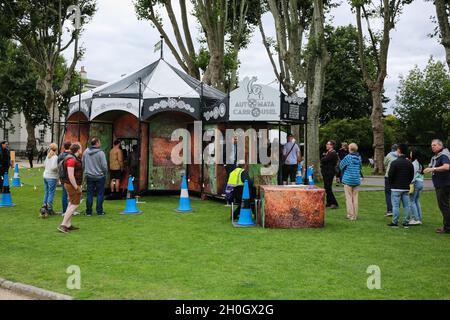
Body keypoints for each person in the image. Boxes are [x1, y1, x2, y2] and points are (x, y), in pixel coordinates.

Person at [423, 139, 450, 234]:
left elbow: (447, 166)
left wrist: (433, 168)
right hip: (441, 184)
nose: (432, 147)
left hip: (444, 184)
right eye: (432, 145)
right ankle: (447, 226)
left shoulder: (443, 155)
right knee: (444, 205)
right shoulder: (437, 156)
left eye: (434, 145)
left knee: (444, 206)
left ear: (440, 145)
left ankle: (447, 228)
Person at [387, 144, 414, 228]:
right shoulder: (409, 163)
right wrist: (407, 183)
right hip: (405, 187)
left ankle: (395, 222)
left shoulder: (394, 163)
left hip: (395, 188)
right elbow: (411, 175)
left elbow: (390, 175)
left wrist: (391, 183)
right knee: (407, 205)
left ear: (398, 150)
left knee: (395, 206)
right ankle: (406, 222)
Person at [58, 143, 83, 234]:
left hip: (70, 184)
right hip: (72, 184)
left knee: (71, 203)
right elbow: (71, 175)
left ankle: (68, 224)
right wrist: (76, 187)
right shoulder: (71, 160)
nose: (82, 150)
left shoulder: (71, 158)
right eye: (81, 148)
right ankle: (63, 224)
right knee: (75, 204)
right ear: (78, 150)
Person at [83, 137, 108, 216]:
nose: (100, 143)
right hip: (100, 176)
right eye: (99, 142)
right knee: (100, 194)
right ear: (97, 143)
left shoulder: (86, 151)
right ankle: (99, 211)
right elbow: (104, 166)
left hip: (89, 176)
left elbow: (83, 163)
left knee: (89, 194)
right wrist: (104, 173)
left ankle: (88, 212)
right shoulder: (101, 153)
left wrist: (86, 171)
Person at [339, 143, 362, 220]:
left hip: (348, 180)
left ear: (350, 149)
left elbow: (341, 165)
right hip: (356, 179)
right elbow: (360, 167)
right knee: (355, 198)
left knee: (348, 198)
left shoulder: (348, 157)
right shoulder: (359, 158)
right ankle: (355, 215)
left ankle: (350, 215)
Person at [40, 143, 59, 217]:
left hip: (45, 175)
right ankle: (49, 208)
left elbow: (44, 165)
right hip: (52, 176)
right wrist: (58, 167)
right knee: (51, 193)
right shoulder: (55, 157)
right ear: (56, 149)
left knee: (46, 192)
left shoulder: (48, 156)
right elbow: (53, 167)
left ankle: (44, 206)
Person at [320, 140, 339, 209]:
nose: (326, 145)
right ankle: (329, 203)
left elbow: (323, 160)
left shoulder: (333, 153)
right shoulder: (328, 153)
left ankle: (334, 203)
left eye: (328, 144)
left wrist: (323, 157)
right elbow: (323, 159)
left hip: (329, 172)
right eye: (327, 144)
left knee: (328, 188)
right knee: (326, 187)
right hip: (326, 172)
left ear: (332, 146)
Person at [409, 149, 424, 225]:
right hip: (421, 182)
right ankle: (419, 218)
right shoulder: (420, 163)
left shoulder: (414, 163)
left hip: (415, 183)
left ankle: (415, 219)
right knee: (416, 201)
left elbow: (413, 175)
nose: (410, 154)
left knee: (411, 201)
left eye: (411, 153)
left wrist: (410, 183)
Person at [384, 144, 398, 217]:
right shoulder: (400, 155)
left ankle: (390, 210)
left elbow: (385, 163)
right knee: (395, 194)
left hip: (388, 176)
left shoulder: (389, 155)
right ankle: (396, 210)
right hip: (397, 177)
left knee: (388, 193)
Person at [57, 141, 72, 215]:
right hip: (69, 176)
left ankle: (64, 210)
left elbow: (58, 166)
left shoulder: (60, 155)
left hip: (62, 176)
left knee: (64, 193)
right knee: (71, 193)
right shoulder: (71, 156)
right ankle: (70, 210)